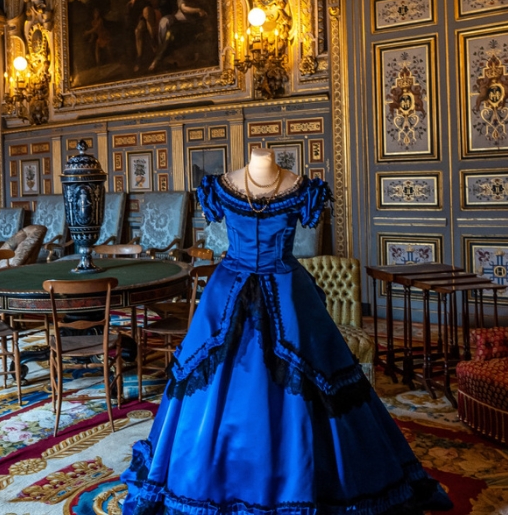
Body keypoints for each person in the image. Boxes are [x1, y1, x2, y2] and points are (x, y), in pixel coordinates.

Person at [121, 148, 451, 515]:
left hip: (288, 295)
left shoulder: (303, 188)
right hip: (233, 294)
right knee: (213, 381)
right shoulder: (219, 186)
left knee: (315, 381)